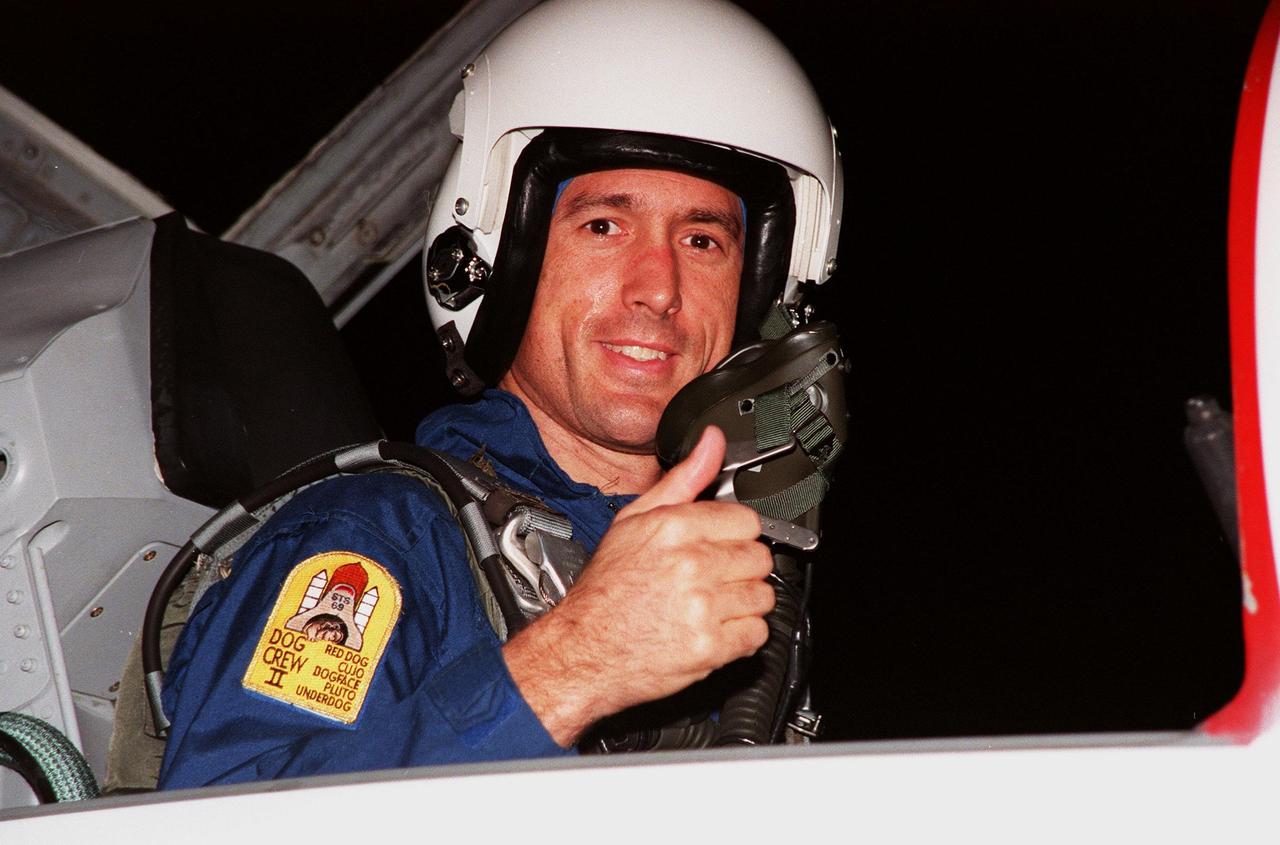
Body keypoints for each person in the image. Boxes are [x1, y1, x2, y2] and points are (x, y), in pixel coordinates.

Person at [156, 0, 842, 788]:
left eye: (702, 240)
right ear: (498, 257)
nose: (660, 289)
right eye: (603, 227)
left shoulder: (735, 587)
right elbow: (217, 820)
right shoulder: (379, 540)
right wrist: (570, 665)